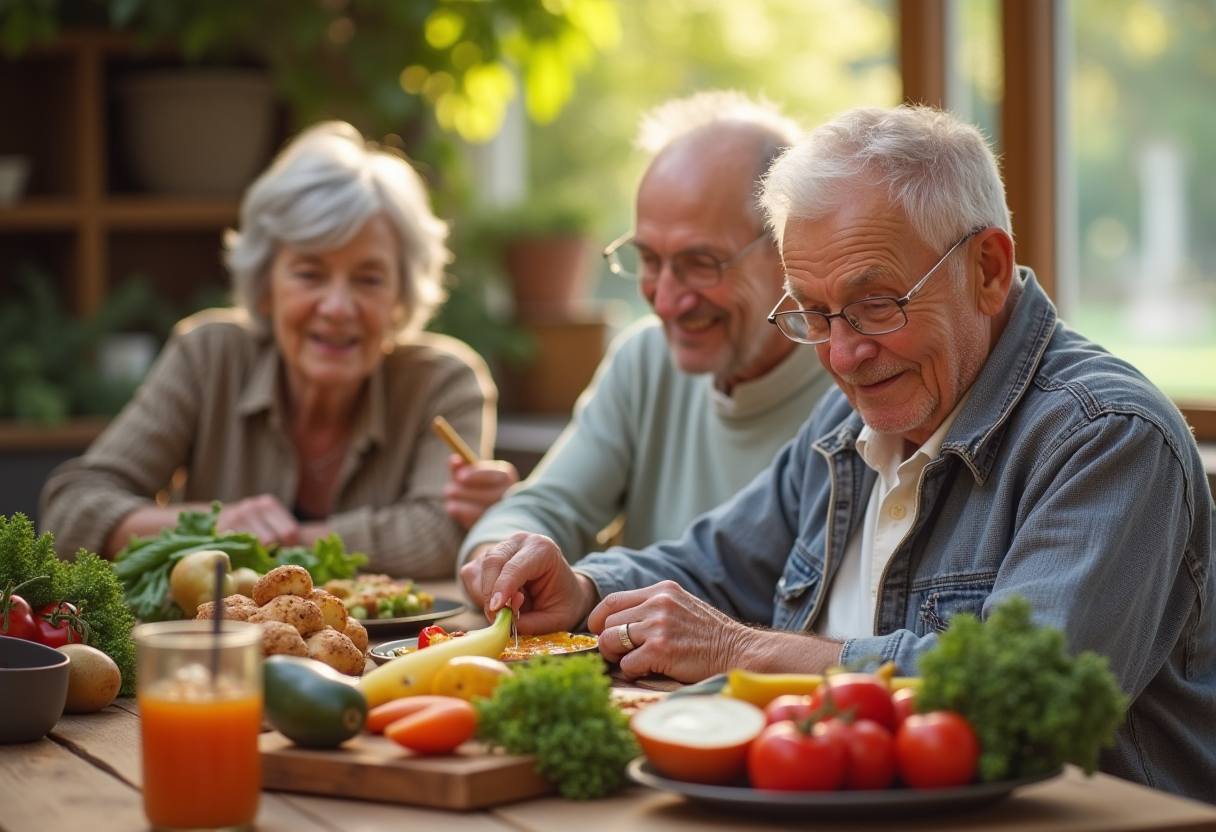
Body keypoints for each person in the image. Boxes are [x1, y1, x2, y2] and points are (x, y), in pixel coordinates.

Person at [462, 106, 1216, 799]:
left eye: (876, 305)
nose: (844, 355)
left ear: (986, 269)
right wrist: (582, 591)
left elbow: (1023, 697)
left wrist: (738, 650)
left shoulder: (1107, 437)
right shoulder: (853, 414)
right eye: (814, 314)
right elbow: (716, 564)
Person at [41, 121, 514, 578]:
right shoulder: (208, 356)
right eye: (309, 274)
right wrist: (214, 526)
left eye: (369, 279)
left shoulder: (444, 382)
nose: (337, 307)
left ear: (400, 297)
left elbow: (439, 534)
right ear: (266, 284)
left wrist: (272, 542)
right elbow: (72, 508)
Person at [452, 91, 834, 572]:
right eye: (649, 259)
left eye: (701, 263)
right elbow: (545, 508)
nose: (666, 301)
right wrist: (500, 561)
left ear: (787, 251)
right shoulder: (645, 359)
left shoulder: (850, 380)